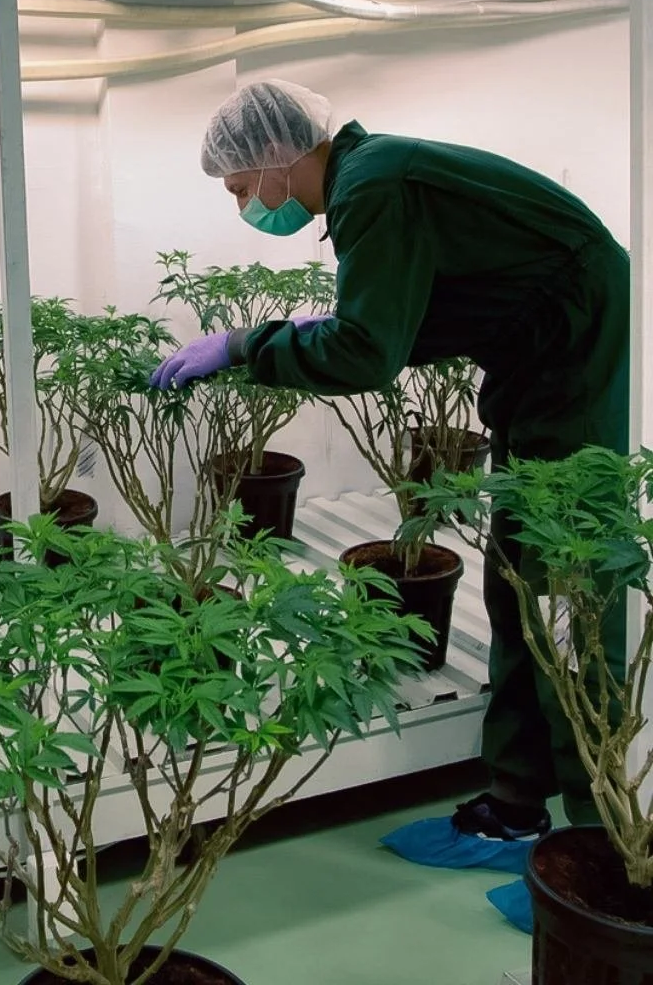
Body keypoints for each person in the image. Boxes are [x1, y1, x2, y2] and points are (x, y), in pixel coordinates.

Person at [152, 80, 628, 850]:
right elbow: (412, 317)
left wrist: (248, 345)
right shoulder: (371, 178)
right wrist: (315, 328)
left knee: (562, 591)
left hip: (570, 355)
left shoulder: (373, 186)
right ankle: (516, 805)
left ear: (278, 157)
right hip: (542, 357)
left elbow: (368, 355)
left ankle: (603, 842)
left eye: (240, 188)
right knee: (517, 579)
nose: (243, 204)